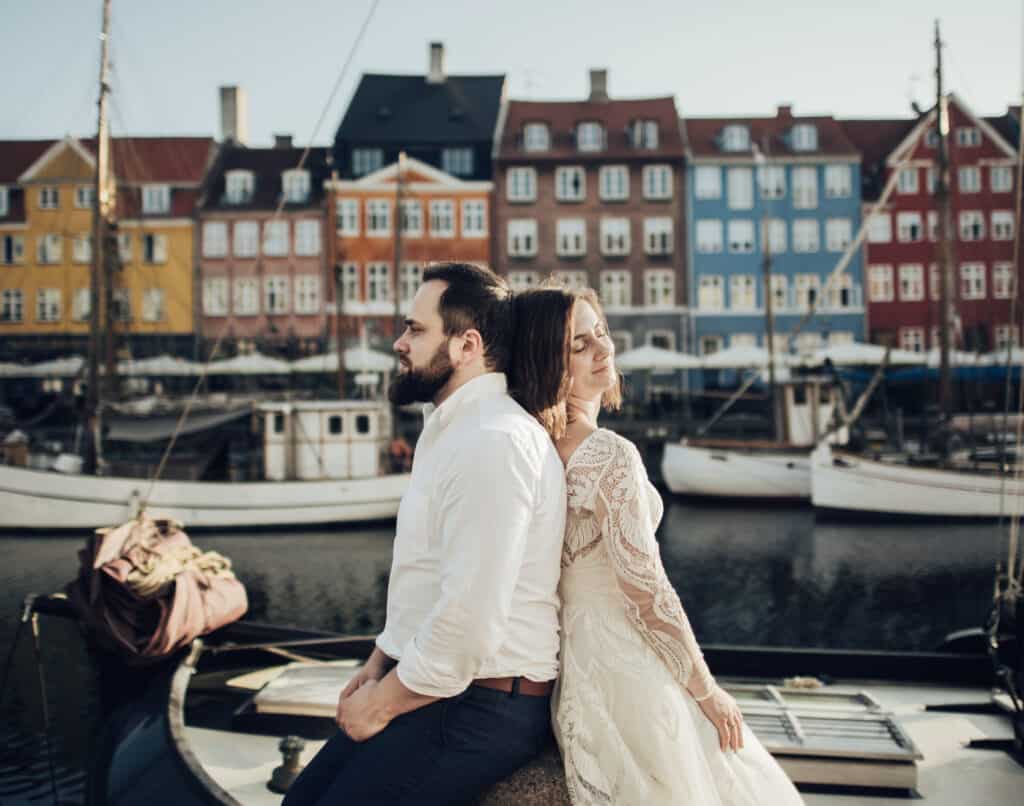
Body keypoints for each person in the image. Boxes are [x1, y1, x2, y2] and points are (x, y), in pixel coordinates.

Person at [283, 263, 566, 805]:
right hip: (446, 688)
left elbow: (471, 616)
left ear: (467, 345)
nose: (399, 343)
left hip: (485, 704)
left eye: (415, 330)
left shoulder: (493, 440)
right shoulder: (454, 429)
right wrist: (379, 660)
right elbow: (426, 577)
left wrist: (384, 702)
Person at [510, 285, 804, 806]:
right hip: (626, 662)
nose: (603, 349)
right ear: (547, 363)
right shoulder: (608, 454)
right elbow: (647, 591)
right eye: (579, 345)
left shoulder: (538, 445)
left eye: (600, 332)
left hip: (578, 667)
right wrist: (706, 691)